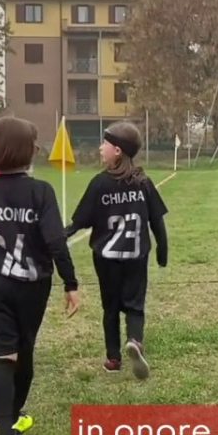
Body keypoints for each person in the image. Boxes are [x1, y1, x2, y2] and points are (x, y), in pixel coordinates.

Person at [0, 116, 81, 435]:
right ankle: (13, 420)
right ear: (26, 151)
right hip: (33, 285)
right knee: (24, 350)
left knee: (2, 357)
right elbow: (55, 241)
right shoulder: (41, 192)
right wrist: (71, 282)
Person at [66, 121, 168, 379]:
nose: (101, 147)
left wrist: (60, 235)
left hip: (107, 259)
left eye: (105, 143)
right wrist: (162, 249)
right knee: (135, 306)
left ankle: (113, 358)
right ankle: (135, 340)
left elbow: (80, 222)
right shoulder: (143, 182)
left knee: (110, 308)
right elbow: (156, 220)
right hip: (136, 255)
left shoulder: (100, 184)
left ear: (118, 151)